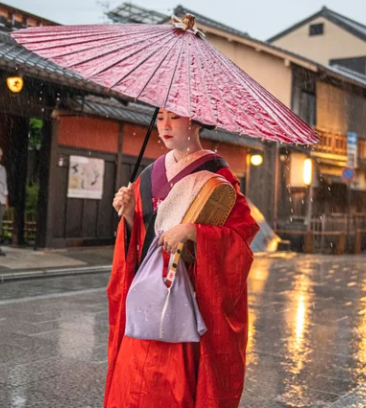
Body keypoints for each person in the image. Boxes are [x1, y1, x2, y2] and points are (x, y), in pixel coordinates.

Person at [105, 109, 259, 408]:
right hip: (147, 290)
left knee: (174, 385)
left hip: (185, 293)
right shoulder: (149, 174)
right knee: (133, 378)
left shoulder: (219, 174)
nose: (164, 126)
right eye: (160, 117)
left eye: (174, 117)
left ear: (197, 120)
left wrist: (194, 231)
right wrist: (128, 217)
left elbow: (241, 236)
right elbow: (141, 238)